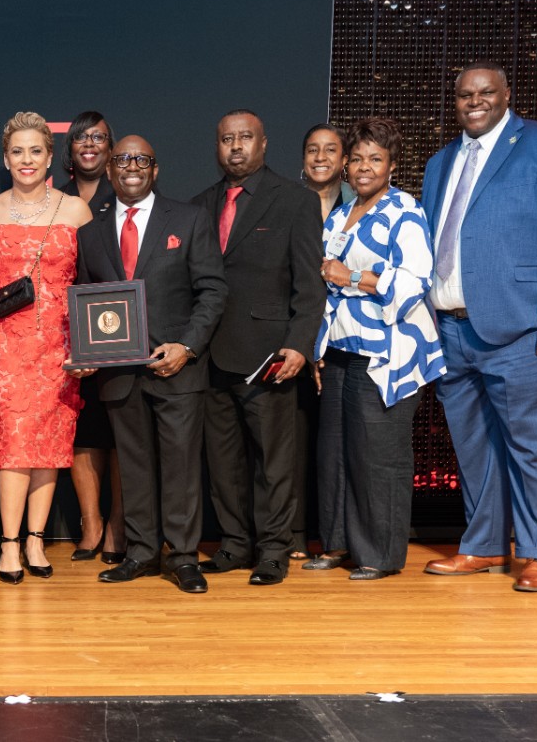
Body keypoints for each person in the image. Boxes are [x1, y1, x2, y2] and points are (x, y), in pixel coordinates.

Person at [421, 63, 537, 592]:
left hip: (523, 326)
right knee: (474, 447)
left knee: (534, 445)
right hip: (451, 330)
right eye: (464, 95)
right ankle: (485, 545)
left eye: (486, 92)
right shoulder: (440, 162)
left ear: (506, 95)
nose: (474, 101)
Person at [72, 135, 227, 594]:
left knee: (181, 468)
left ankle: (182, 557)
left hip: (177, 368)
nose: (132, 166)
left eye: (141, 159)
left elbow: (213, 291)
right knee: (134, 467)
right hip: (119, 374)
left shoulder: (190, 218)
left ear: (155, 170)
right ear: (110, 170)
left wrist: (187, 347)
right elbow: (87, 304)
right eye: (122, 159)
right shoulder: (90, 234)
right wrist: (86, 353)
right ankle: (140, 552)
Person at [304, 117, 445, 581]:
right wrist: (319, 346)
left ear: (392, 165)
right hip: (341, 348)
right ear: (346, 166)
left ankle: (379, 554)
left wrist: (353, 277)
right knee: (335, 452)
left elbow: (415, 280)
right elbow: (325, 285)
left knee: (377, 455)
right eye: (358, 159)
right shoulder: (340, 215)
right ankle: (338, 544)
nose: (364, 167)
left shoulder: (404, 210)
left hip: (386, 351)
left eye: (376, 159)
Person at [193, 110, 325, 586]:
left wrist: (299, 344)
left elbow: (310, 283)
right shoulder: (200, 204)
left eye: (245, 137)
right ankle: (233, 544)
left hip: (270, 355)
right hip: (210, 355)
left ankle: (273, 549)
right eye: (227, 138)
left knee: (273, 461)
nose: (236, 146)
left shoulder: (295, 200)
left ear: (264, 143)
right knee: (222, 461)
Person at [0, 111, 93, 583]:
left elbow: (92, 285)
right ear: (5, 159)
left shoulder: (76, 211)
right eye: (17, 151)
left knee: (50, 445)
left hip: (61, 348)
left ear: (49, 158)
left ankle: (36, 540)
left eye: (36, 151)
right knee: (14, 446)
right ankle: (9, 543)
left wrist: (89, 347)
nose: (27, 159)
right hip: (7, 347)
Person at [58, 111, 124, 563]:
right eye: (82, 137)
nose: (89, 144)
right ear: (70, 147)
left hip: (115, 327)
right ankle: (90, 522)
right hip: (65, 328)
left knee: (116, 432)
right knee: (81, 430)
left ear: (111, 148)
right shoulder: (54, 197)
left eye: (98, 137)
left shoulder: (124, 193)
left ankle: (118, 523)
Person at [291, 123, 354, 560]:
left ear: (344, 160)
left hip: (345, 339)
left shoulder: (363, 205)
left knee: (337, 445)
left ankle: (336, 534)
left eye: (331, 150)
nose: (320, 157)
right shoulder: (285, 202)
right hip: (298, 336)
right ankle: (295, 531)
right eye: (312, 149)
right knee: (296, 442)